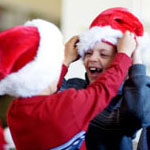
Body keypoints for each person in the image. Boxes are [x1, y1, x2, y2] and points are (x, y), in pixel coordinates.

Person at [0, 19, 134, 150]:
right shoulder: (69, 105)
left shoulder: (15, 111)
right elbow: (103, 89)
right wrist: (124, 54)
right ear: (44, 71)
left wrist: (66, 61)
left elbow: (44, 96)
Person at [59, 7, 150, 150]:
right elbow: (46, 94)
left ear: (124, 59)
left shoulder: (128, 99)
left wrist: (135, 58)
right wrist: (65, 60)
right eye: (88, 53)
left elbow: (138, 116)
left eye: (103, 55)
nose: (93, 58)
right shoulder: (75, 88)